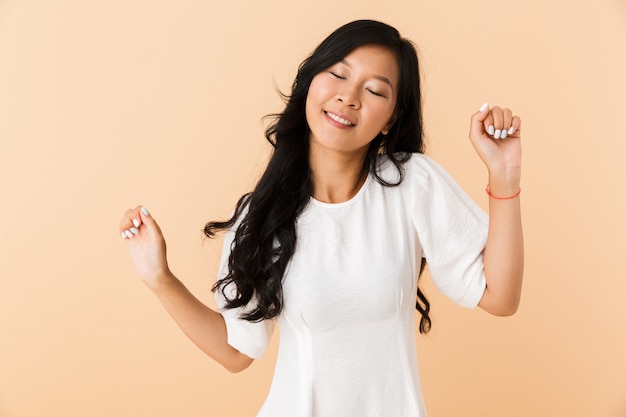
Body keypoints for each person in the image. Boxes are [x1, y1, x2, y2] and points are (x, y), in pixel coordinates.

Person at [119, 19, 523, 417]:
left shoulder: (412, 183)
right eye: (337, 75)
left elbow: (499, 296)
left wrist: (504, 176)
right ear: (310, 82)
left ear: (392, 118)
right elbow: (237, 352)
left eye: (374, 90)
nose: (349, 98)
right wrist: (160, 278)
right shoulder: (260, 216)